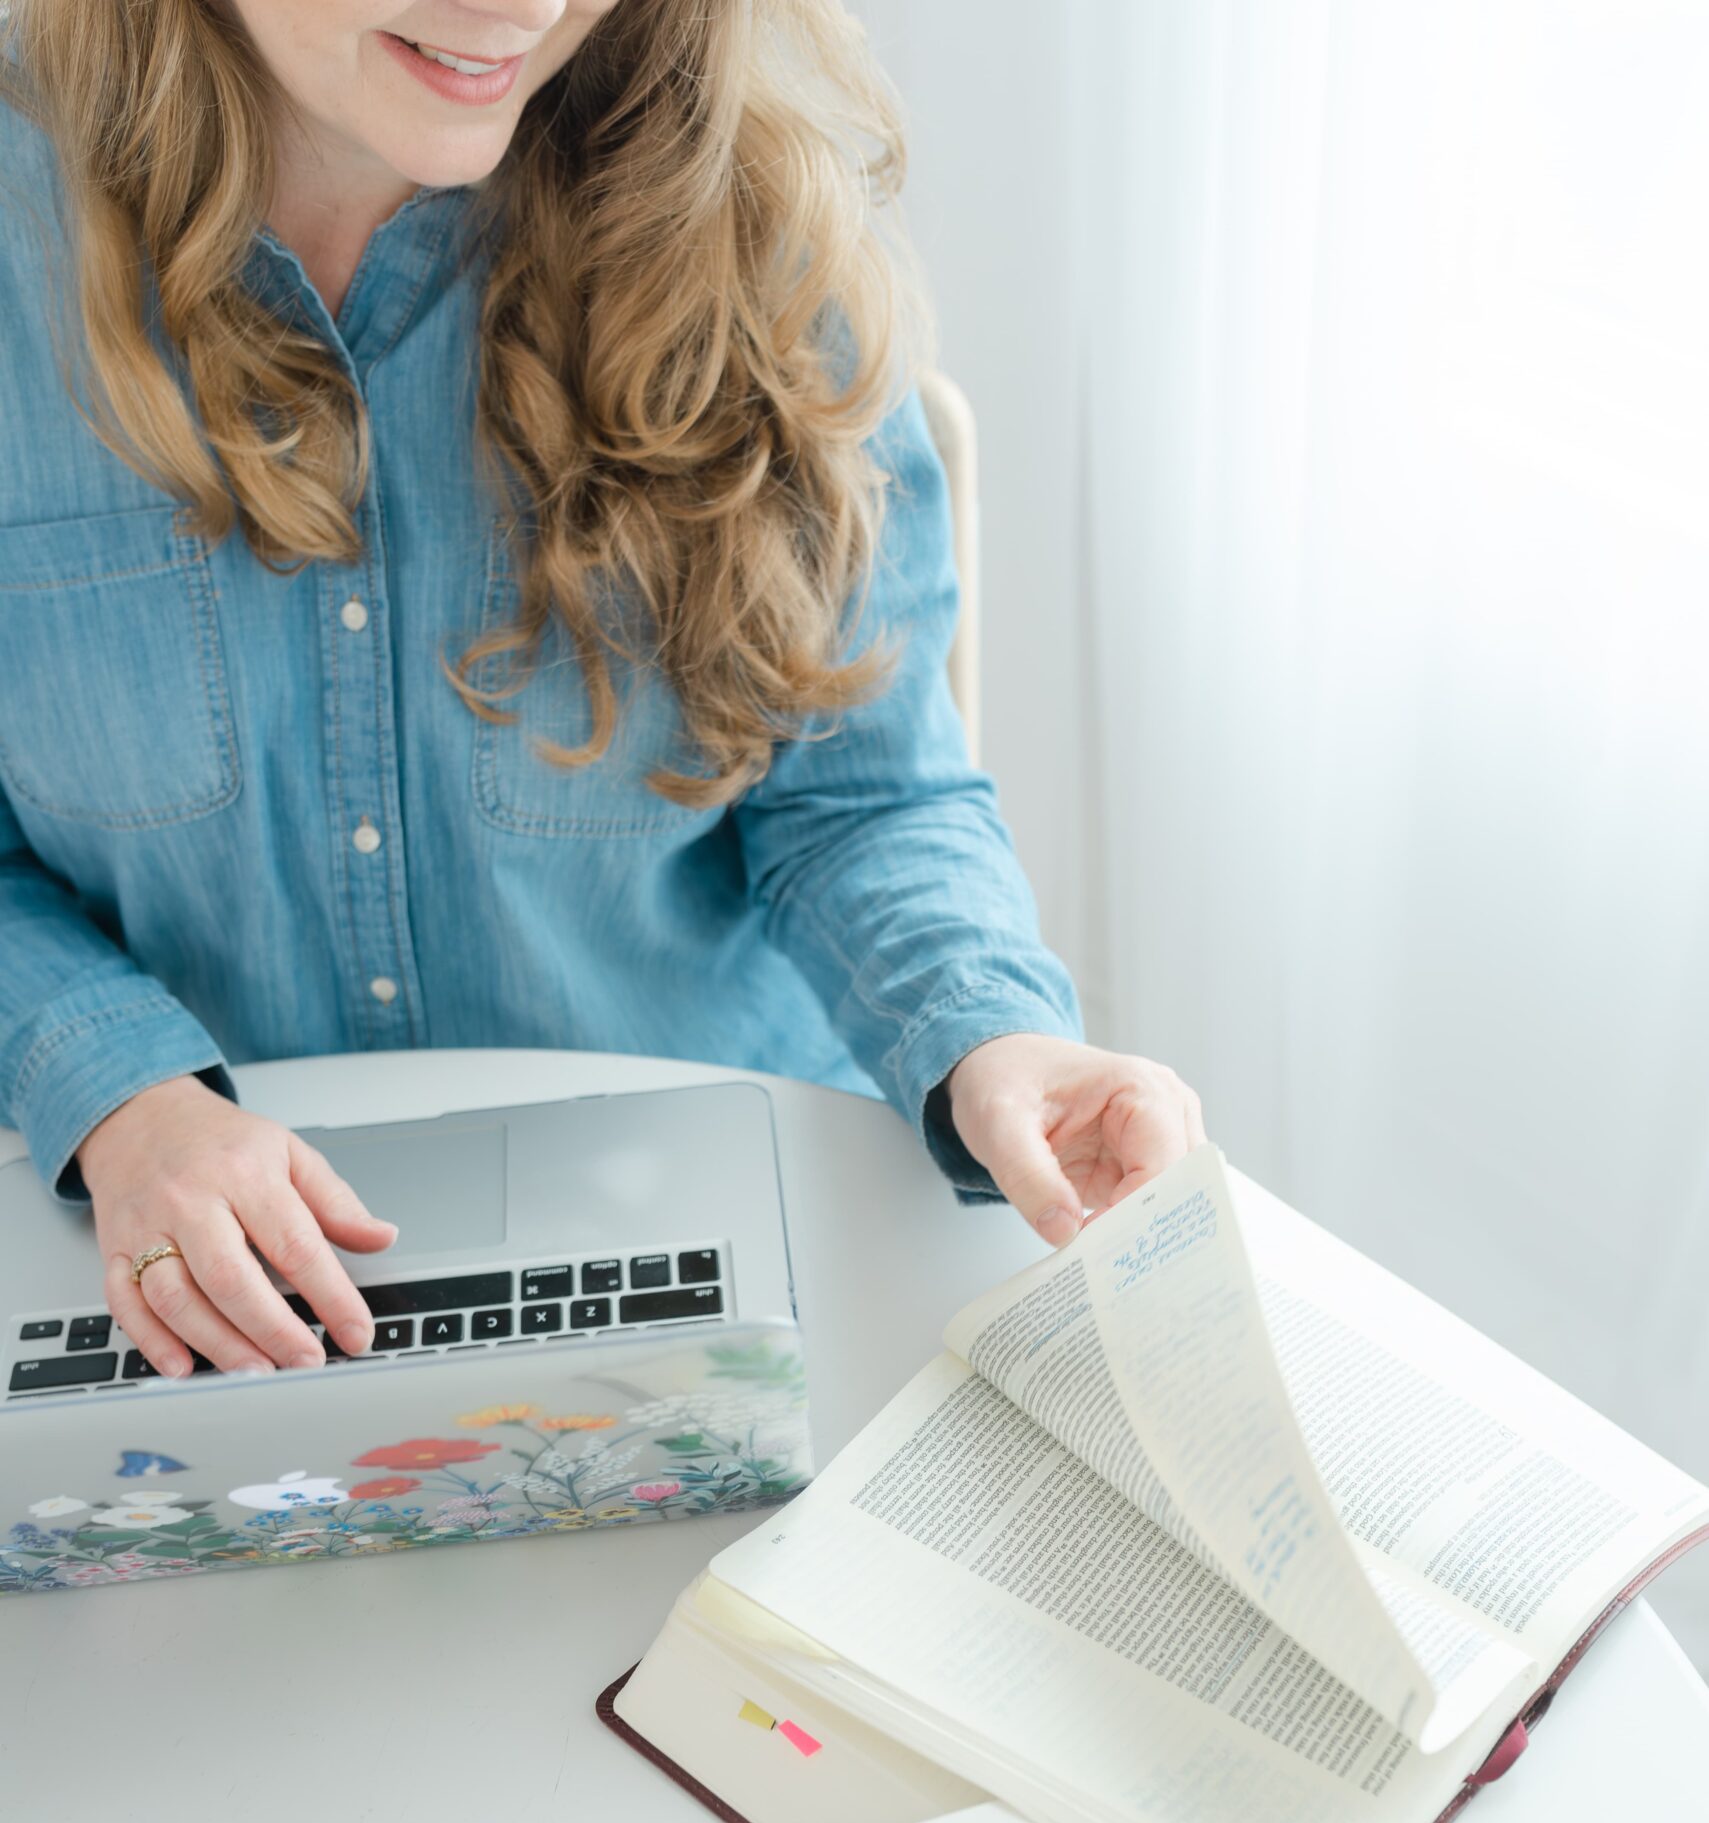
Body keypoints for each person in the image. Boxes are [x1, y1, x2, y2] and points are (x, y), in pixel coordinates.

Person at [0, 0, 1203, 1380]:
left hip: (706, 1243)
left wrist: (990, 1029)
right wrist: (125, 1097)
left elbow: (854, 798)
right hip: (185, 1276)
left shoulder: (749, 220)